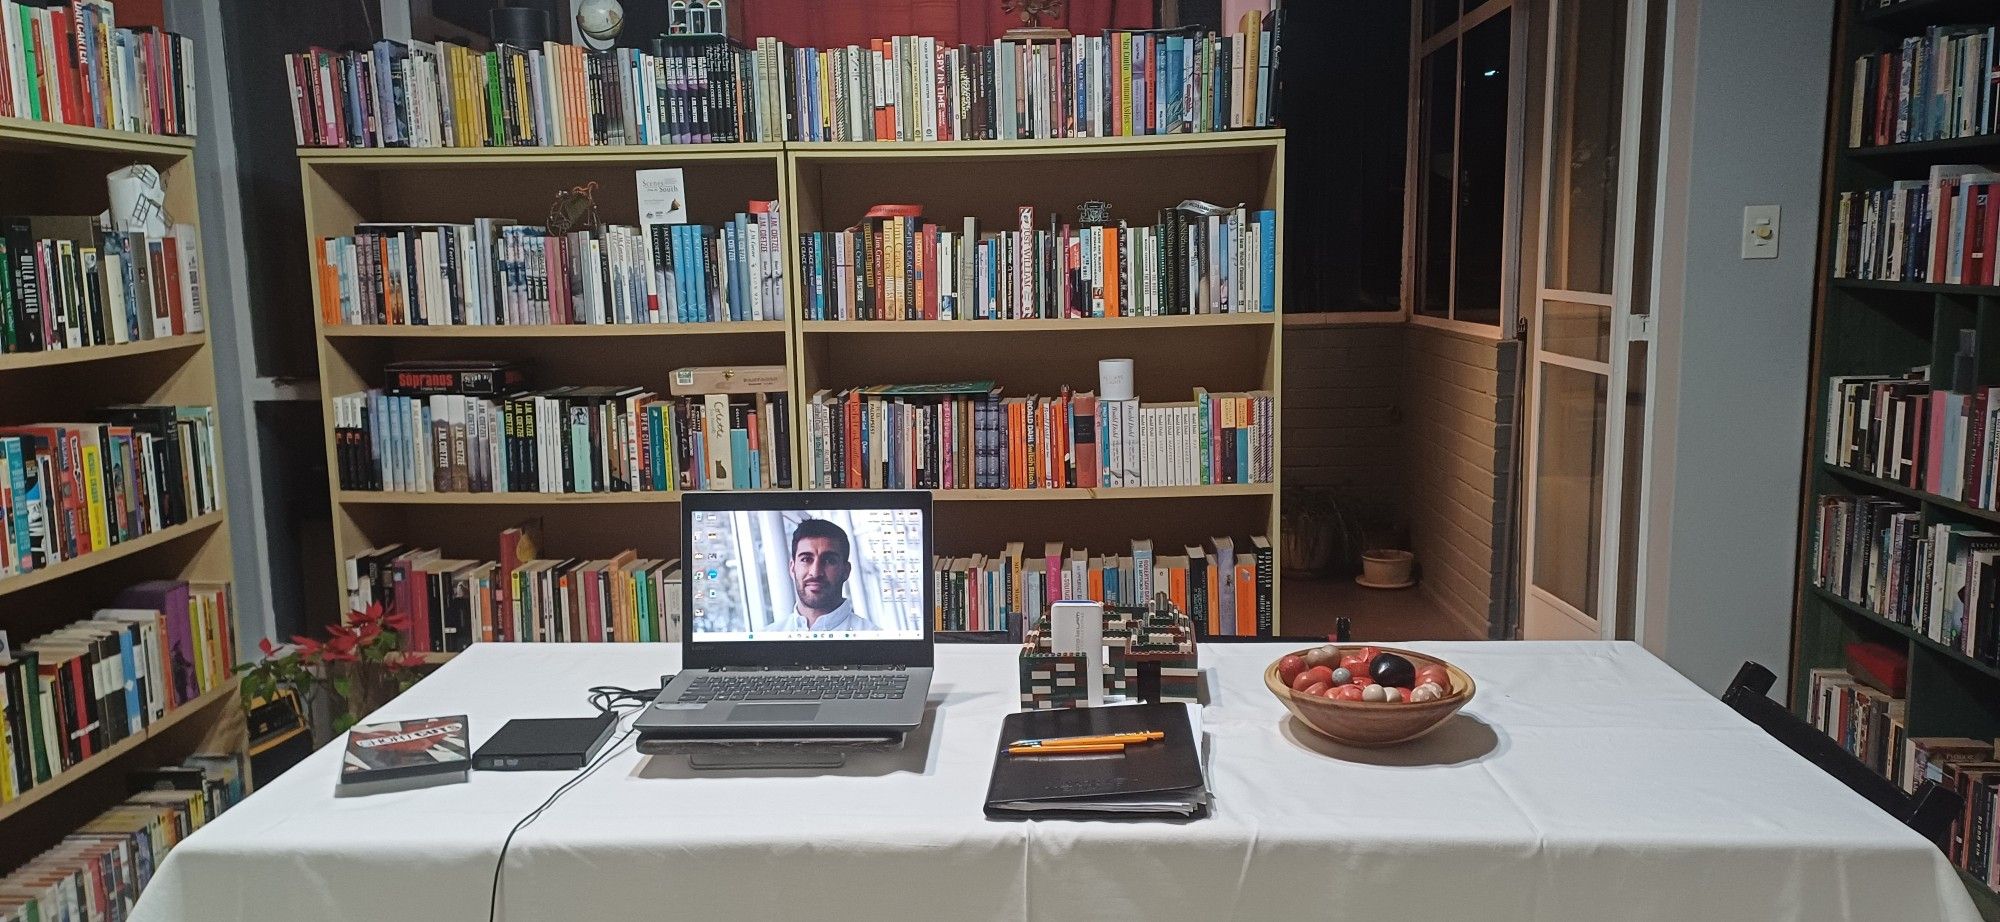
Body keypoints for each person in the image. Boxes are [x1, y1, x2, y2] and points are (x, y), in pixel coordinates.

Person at [772, 519, 881, 633]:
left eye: (829, 560)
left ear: (846, 571)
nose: (815, 572)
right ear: (792, 568)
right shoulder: (768, 637)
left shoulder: (875, 638)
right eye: (806, 559)